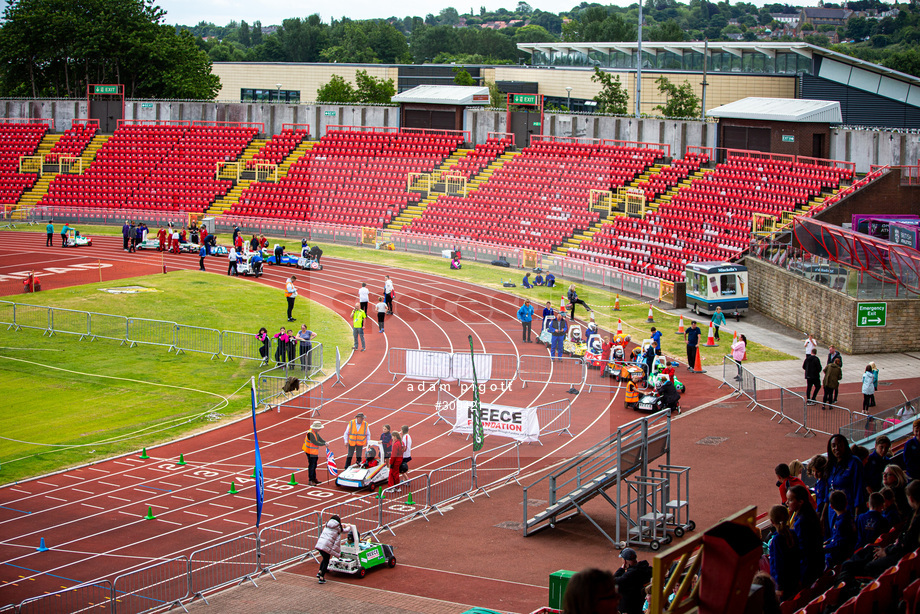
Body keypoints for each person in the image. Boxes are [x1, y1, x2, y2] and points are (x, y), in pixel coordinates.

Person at [786, 484, 823, 588]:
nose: (786, 502)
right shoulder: (810, 515)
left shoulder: (801, 522)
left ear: (800, 502)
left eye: (790, 500)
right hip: (816, 565)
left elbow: (803, 550)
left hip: (807, 571)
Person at [767, 505, 801, 601]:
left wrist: (779, 587)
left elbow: (778, 565)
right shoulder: (793, 533)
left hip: (784, 585)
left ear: (772, 522)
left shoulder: (777, 540)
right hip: (795, 577)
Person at [828, 434, 865, 513]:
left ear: (845, 445)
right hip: (832, 511)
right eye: (833, 446)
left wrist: (857, 511)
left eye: (840, 445)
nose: (836, 448)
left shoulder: (854, 462)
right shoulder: (831, 463)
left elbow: (859, 488)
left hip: (848, 509)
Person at [613, 548, 652, 614]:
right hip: (640, 607)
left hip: (629, 609)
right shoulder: (647, 569)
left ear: (625, 561)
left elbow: (613, 581)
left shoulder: (629, 575)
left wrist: (621, 569)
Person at [824, 490, 856, 569]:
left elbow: (839, 543)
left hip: (837, 558)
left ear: (831, 506)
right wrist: (828, 541)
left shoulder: (841, 523)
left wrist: (825, 548)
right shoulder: (849, 517)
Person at [314, 514, 350, 585]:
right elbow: (344, 531)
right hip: (326, 545)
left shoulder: (328, 525)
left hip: (320, 544)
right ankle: (321, 577)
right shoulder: (338, 527)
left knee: (324, 558)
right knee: (326, 560)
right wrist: (348, 526)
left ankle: (320, 572)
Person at [302, 421, 325, 486]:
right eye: (319, 428)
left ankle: (314, 478)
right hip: (309, 452)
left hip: (313, 452)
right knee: (312, 465)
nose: (320, 429)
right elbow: (315, 442)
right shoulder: (310, 433)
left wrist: (324, 442)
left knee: (314, 465)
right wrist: (324, 444)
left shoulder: (315, 432)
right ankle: (311, 480)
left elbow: (319, 438)